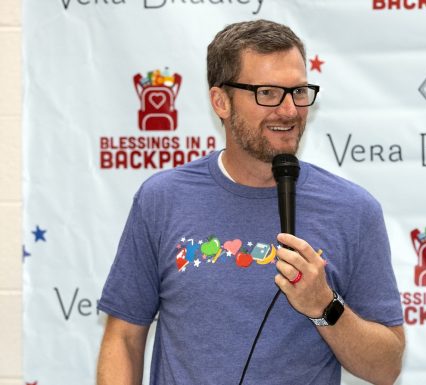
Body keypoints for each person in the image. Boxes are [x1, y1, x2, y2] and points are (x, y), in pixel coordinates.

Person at [97, 19, 405, 385]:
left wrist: (324, 304)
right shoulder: (162, 200)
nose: (289, 111)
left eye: (298, 92)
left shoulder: (353, 210)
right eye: (268, 93)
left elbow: (386, 367)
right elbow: (124, 339)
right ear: (220, 101)